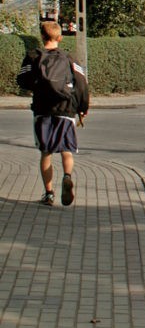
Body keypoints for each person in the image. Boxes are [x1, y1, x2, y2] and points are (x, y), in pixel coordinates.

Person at [17, 20, 90, 207]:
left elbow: (22, 80)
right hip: (66, 108)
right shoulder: (70, 58)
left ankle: (48, 194)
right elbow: (82, 84)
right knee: (67, 150)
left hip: (42, 109)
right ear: (60, 37)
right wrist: (83, 107)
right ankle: (67, 176)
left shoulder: (33, 56)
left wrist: (37, 86)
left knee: (46, 152)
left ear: (42, 36)